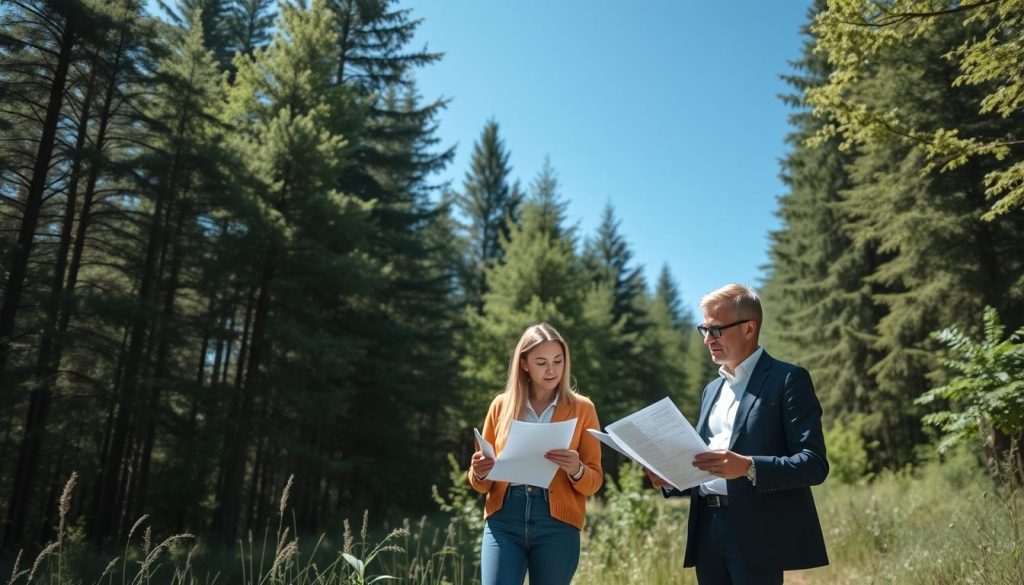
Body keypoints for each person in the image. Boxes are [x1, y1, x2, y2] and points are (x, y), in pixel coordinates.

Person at [647, 284, 828, 584]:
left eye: (716, 330)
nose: (707, 340)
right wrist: (671, 479)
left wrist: (747, 467)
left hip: (758, 532)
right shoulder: (711, 390)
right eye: (703, 329)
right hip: (706, 529)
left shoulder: (788, 380)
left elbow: (813, 464)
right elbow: (703, 463)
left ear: (749, 328)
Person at [468, 323, 602, 585]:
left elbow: (594, 481)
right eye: (541, 362)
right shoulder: (501, 405)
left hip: (558, 523)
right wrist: (479, 472)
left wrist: (577, 469)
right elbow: (480, 483)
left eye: (558, 361)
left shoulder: (583, 409)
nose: (551, 370)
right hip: (504, 518)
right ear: (525, 364)